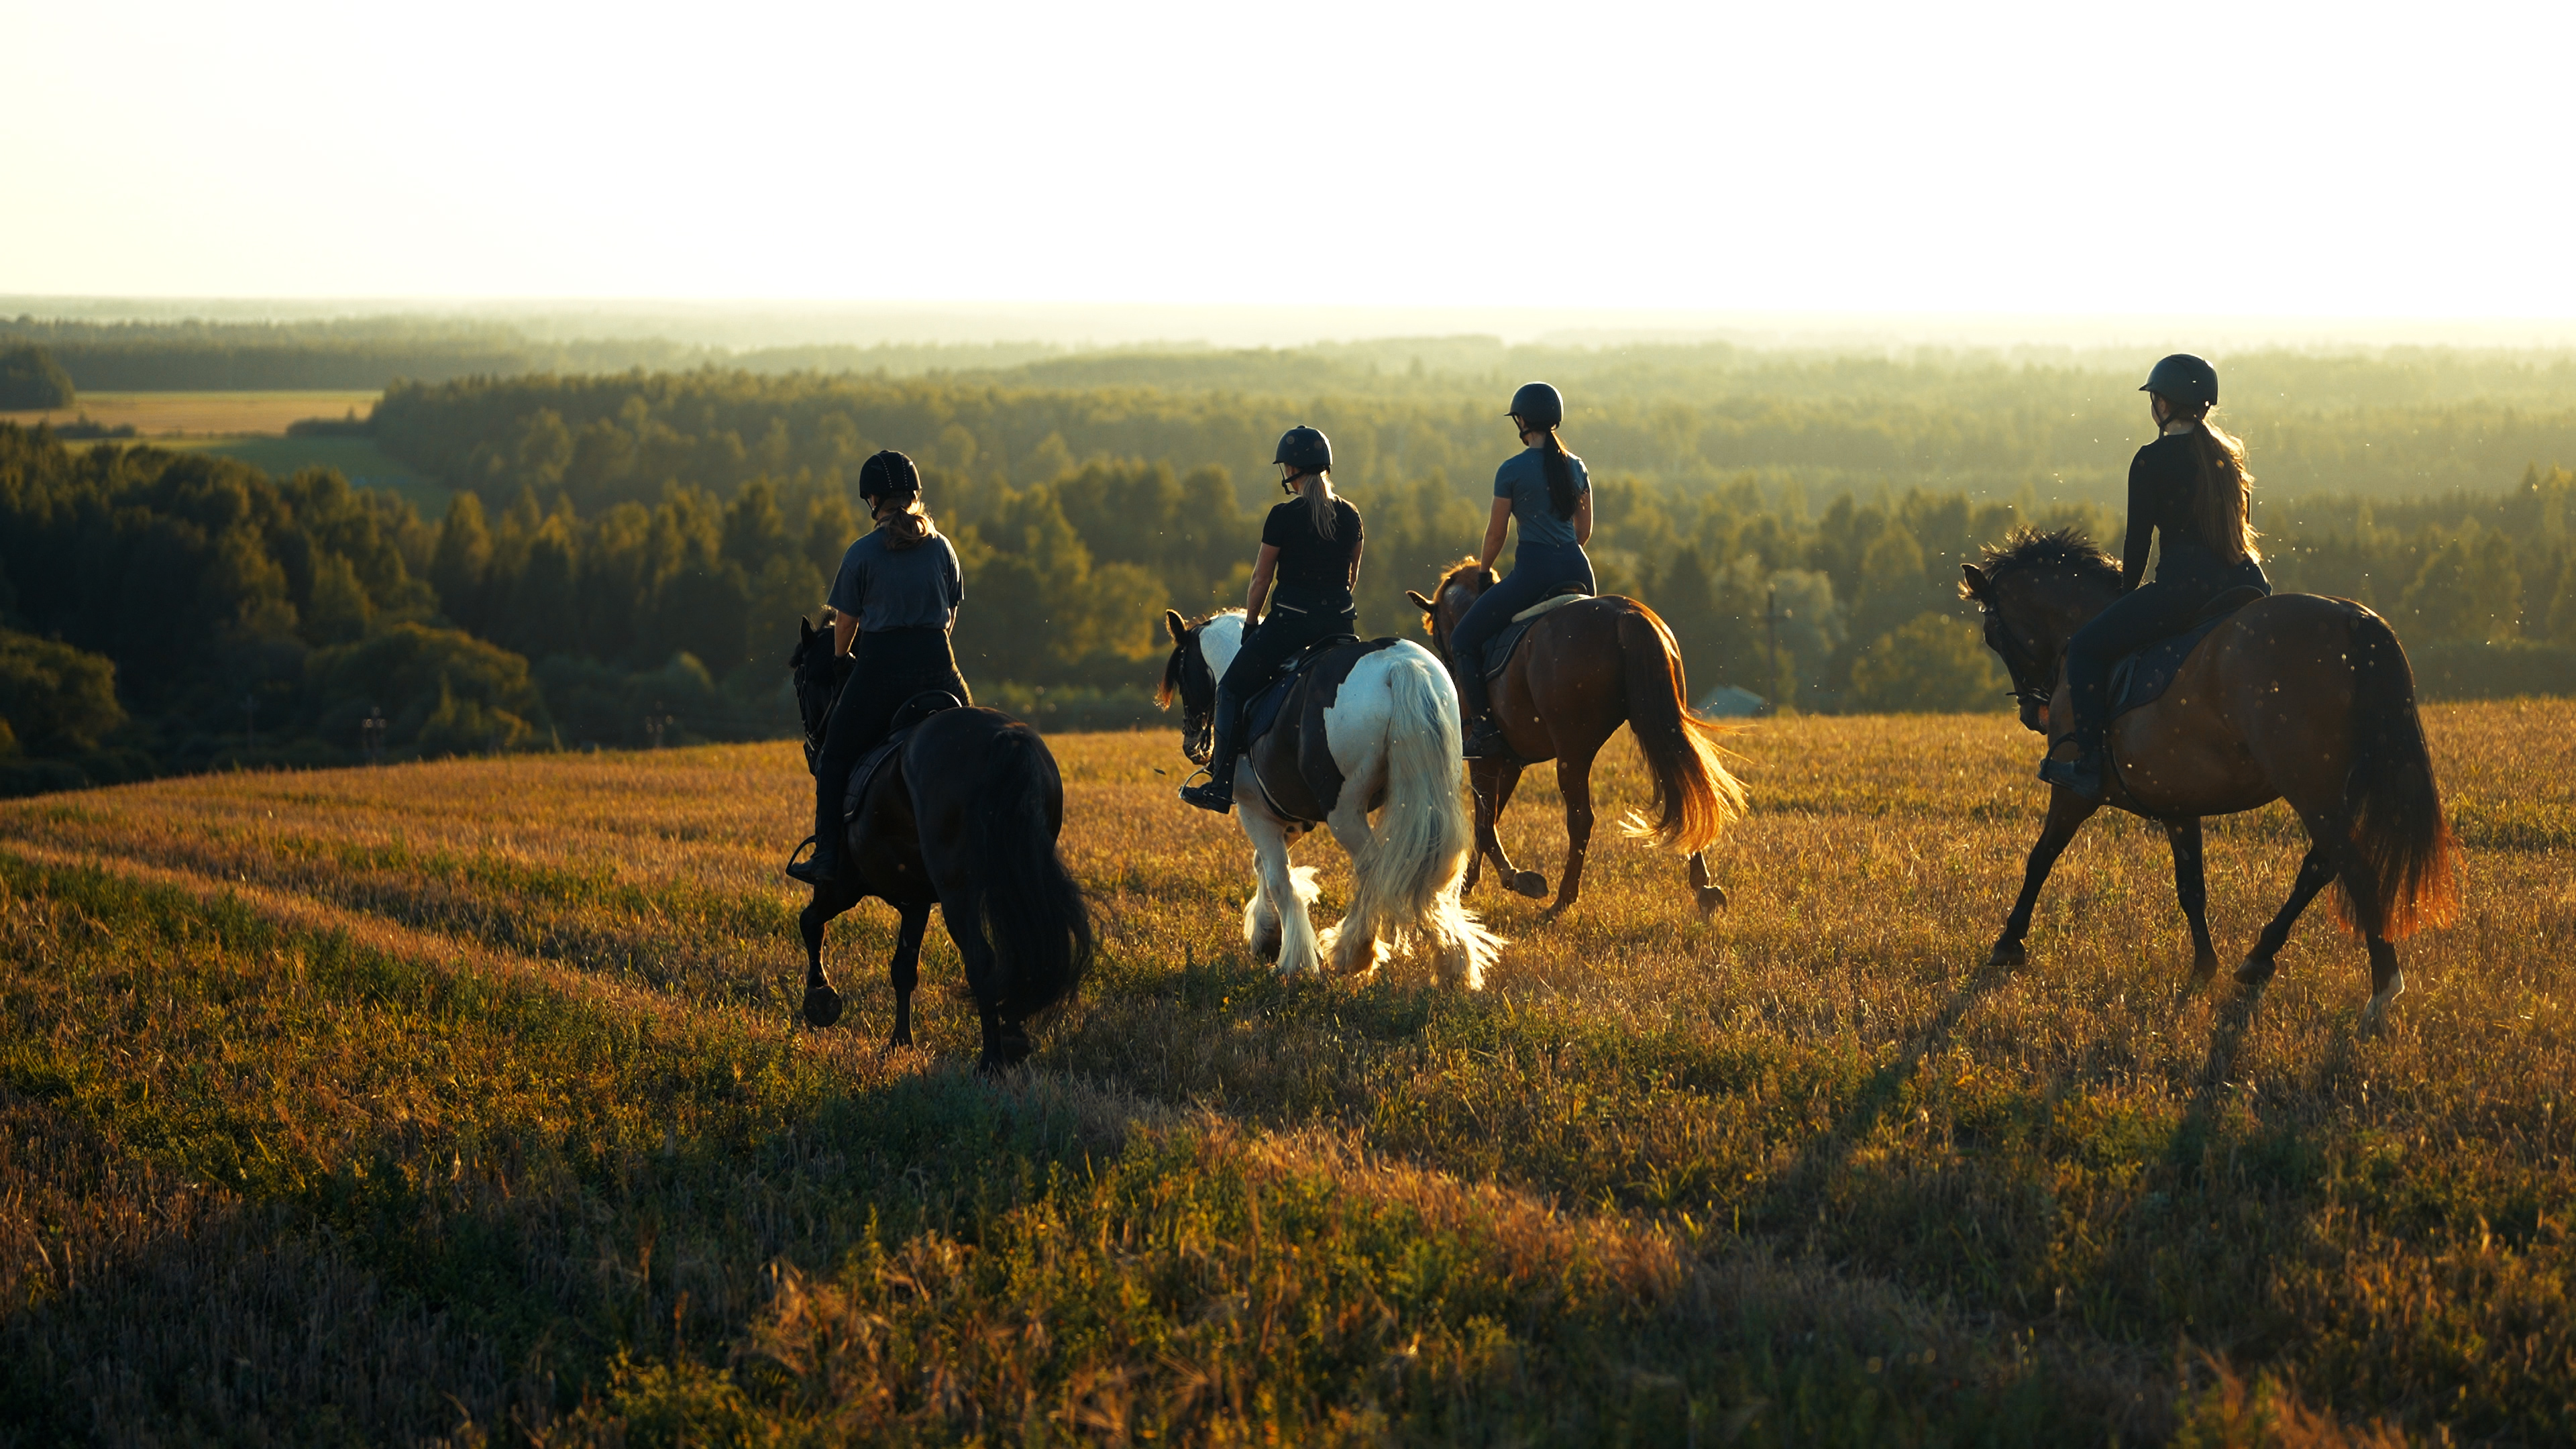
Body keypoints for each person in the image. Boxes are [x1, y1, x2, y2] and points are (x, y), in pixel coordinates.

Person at [2043, 353, 2270, 800]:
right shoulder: (2229, 459)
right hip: (2249, 586)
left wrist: (2125, 598)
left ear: (2164, 404)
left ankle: (2088, 763)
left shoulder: (2150, 461)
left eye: (2156, 399)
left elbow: (2137, 545)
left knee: (2087, 648)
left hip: (2185, 593)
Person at [787, 449, 971, 885]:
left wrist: (839, 660)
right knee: (973, 748)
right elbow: (951, 613)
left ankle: (828, 857)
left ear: (872, 500)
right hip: (940, 665)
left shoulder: (862, 552)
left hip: (881, 670)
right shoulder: (942, 546)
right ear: (913, 494)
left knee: (832, 759)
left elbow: (846, 621)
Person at [1177, 425, 1363, 814]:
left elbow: (1261, 578)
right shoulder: (1350, 516)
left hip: (1290, 627)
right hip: (1341, 627)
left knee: (1230, 689)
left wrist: (1249, 628)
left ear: (1292, 469)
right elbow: (1351, 577)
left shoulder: (1283, 516)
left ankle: (1220, 785)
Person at [1450, 381, 1594, 759]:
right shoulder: (1578, 466)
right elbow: (1584, 531)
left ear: (1523, 421)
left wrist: (1484, 572)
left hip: (1534, 572)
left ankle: (1483, 731)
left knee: (1463, 640)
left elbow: (1496, 533)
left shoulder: (1511, 470)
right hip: (1580, 570)